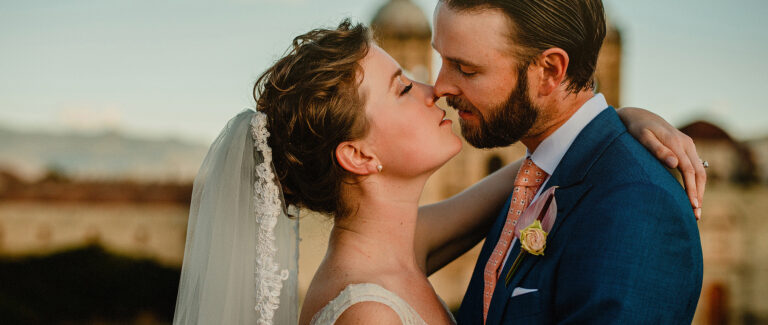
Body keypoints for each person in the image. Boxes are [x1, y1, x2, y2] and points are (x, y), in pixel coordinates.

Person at [172, 19, 706, 325]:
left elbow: (549, 155)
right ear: (359, 156)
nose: (437, 90)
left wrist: (622, 119)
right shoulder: (367, 313)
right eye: (405, 86)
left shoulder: (400, 244)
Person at [430, 0, 704, 323]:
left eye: (466, 69)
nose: (439, 87)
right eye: (442, 59)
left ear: (549, 71)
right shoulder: (538, 175)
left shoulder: (639, 205)